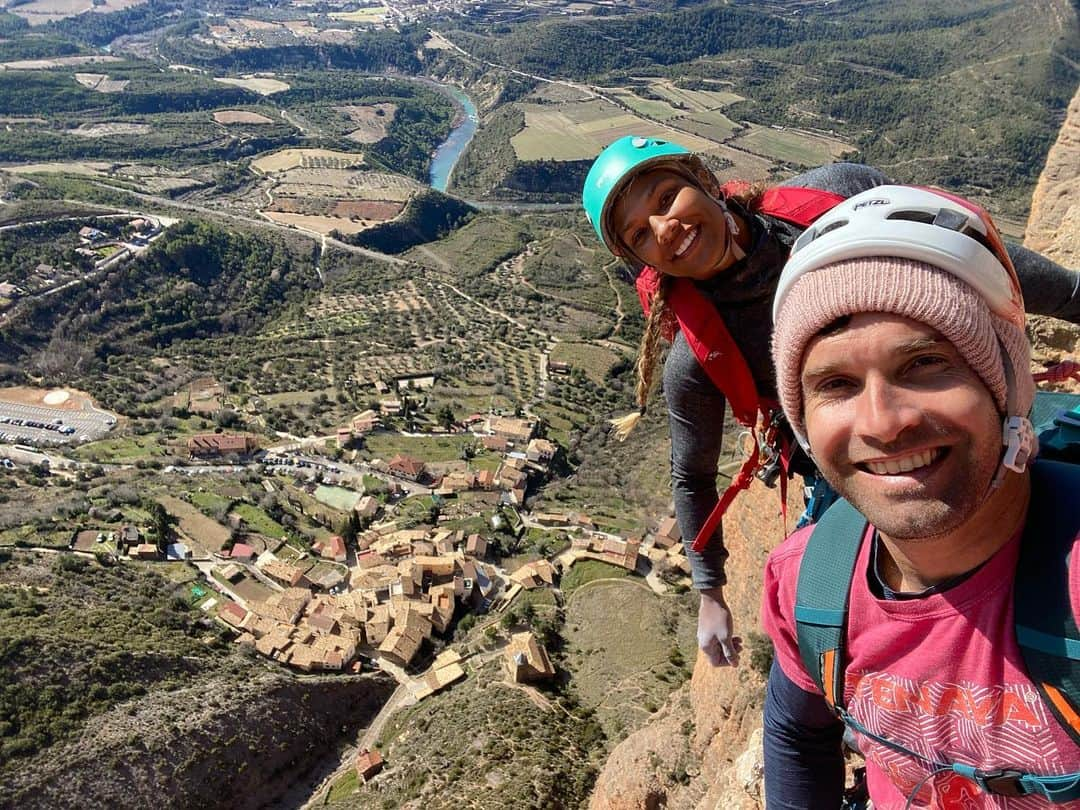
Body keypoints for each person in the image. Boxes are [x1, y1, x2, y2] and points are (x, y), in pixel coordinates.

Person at [581, 135, 1080, 669]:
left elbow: (960, 251)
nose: (664, 228)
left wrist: (1075, 297)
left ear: (701, 179)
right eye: (639, 233)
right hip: (855, 456)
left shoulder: (835, 196)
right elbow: (692, 475)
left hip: (954, 396)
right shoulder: (696, 356)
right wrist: (711, 593)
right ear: (639, 260)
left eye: (664, 198)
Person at [761, 185, 1080, 807]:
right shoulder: (809, 584)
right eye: (836, 383)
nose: (882, 423)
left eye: (925, 364)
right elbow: (798, 731)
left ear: (1008, 387)